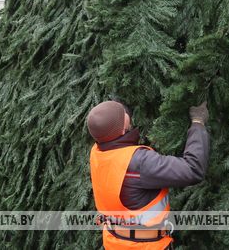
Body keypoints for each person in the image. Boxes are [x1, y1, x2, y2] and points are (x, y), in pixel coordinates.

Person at [87, 100, 210, 249]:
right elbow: (193, 169)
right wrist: (198, 122)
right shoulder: (138, 162)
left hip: (115, 242)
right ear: (121, 130)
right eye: (122, 115)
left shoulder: (98, 151)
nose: (126, 113)